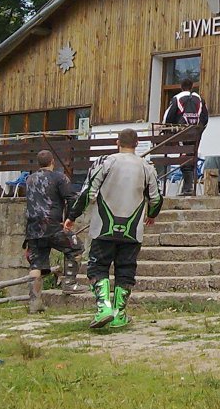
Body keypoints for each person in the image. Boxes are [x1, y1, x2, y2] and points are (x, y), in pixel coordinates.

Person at [64, 128, 163, 330]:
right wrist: (152, 215)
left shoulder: (105, 162)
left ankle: (104, 308)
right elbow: (156, 198)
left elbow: (88, 192)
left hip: (103, 227)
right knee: (126, 269)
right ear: (137, 144)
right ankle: (119, 314)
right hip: (132, 230)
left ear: (117, 142)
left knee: (98, 267)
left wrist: (72, 216)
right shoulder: (147, 167)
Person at [24, 149, 87, 313]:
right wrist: (70, 218)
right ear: (53, 161)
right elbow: (72, 198)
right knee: (76, 248)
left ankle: (34, 303)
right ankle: (70, 283)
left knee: (36, 264)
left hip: (33, 229)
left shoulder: (29, 179)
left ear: (38, 163)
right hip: (52, 225)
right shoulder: (59, 177)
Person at [162, 78, 208, 196]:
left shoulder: (177, 98)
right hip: (195, 132)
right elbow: (205, 117)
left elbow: (168, 117)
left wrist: (167, 130)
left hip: (182, 131)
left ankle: (188, 188)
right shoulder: (200, 99)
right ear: (192, 86)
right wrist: (200, 130)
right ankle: (188, 187)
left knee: (184, 156)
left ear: (181, 87)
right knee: (191, 156)